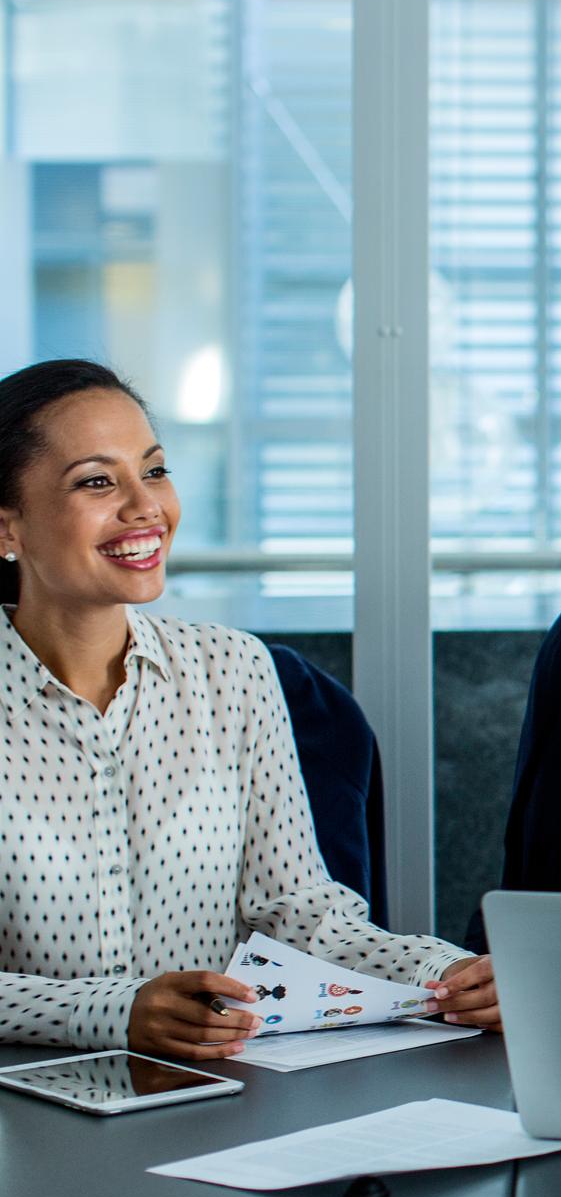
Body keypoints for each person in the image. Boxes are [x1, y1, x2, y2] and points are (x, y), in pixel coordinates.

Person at [0, 359, 502, 1060]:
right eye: (96, 481)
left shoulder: (233, 671)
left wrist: (446, 973)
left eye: (155, 471)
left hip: (221, 1096)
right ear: (8, 526)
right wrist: (114, 1011)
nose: (146, 507)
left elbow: (301, 916)